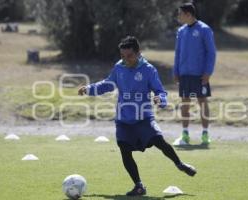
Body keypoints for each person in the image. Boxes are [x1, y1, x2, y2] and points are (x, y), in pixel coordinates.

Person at [78, 36, 196, 196]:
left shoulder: (148, 70)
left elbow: (160, 91)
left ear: (138, 53)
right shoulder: (119, 68)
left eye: (129, 56)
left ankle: (180, 164)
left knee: (159, 141)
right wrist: (90, 88)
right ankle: (139, 186)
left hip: (144, 118)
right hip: (124, 119)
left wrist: (160, 99)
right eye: (123, 56)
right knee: (124, 149)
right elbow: (107, 84)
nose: (126, 60)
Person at [173, 3, 216, 145]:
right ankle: (185, 135)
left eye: (180, 14)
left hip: (199, 75)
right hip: (184, 74)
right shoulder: (181, 31)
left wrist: (208, 72)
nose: (178, 16)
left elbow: (211, 52)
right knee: (185, 104)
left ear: (188, 14)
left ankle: (205, 134)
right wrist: (176, 71)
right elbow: (178, 53)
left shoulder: (204, 29)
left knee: (202, 102)